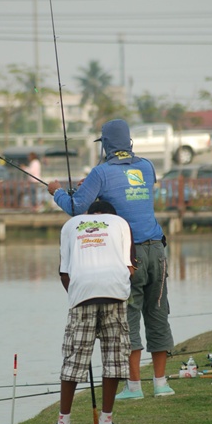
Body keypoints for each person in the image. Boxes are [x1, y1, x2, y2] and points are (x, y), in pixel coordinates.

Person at [48, 118, 175, 399]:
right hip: (158, 251)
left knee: (128, 318)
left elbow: (77, 207)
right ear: (129, 142)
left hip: (130, 255)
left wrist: (56, 191)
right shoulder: (146, 167)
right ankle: (162, 384)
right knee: (157, 313)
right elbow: (128, 194)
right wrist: (91, 185)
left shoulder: (100, 172)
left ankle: (134, 387)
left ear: (105, 145)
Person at [53, 200, 135, 424]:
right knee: (114, 358)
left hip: (81, 293)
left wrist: (78, 294)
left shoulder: (70, 224)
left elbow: (64, 272)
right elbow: (130, 268)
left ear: (89, 214)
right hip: (115, 292)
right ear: (111, 214)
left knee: (74, 360)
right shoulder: (120, 223)